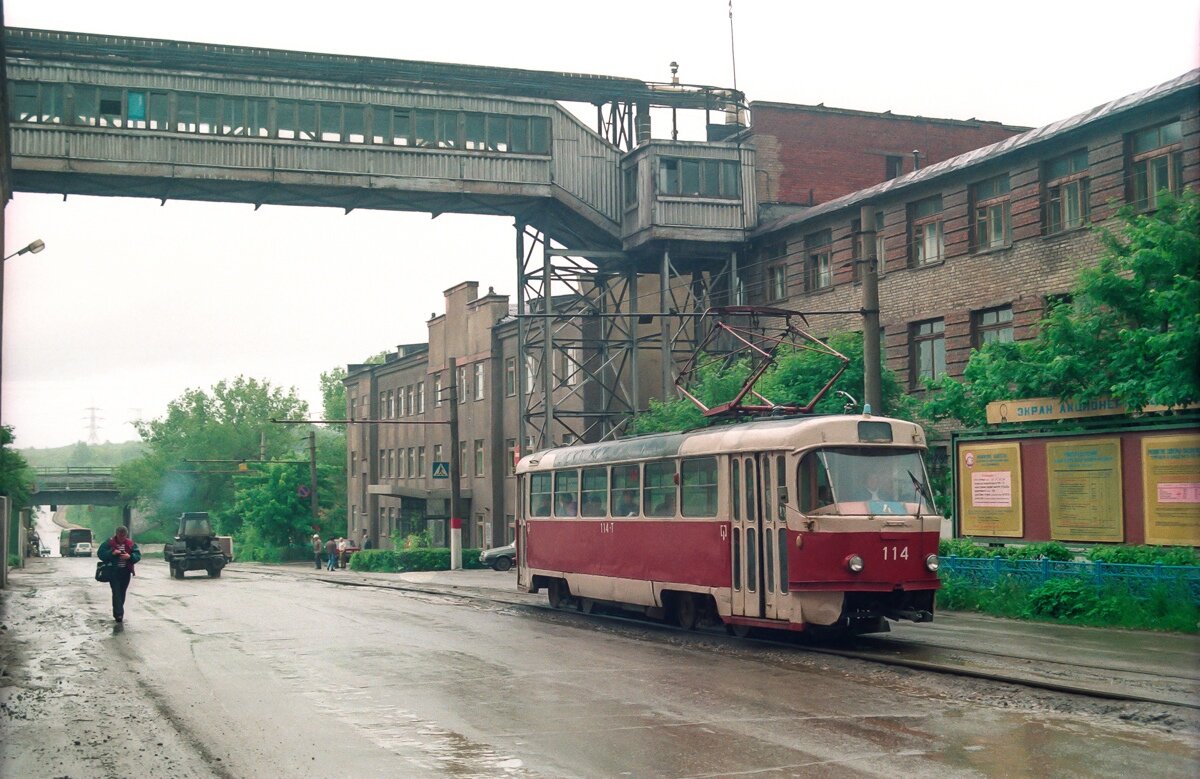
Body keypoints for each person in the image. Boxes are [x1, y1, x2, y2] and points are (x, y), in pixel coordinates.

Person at [97, 526, 141, 623]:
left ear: (126, 535)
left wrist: (129, 556)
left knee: (122, 592)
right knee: (116, 592)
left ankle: (119, 611)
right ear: (116, 534)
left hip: (126, 572)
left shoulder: (130, 544)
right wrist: (112, 553)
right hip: (113, 572)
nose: (122, 538)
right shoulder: (109, 543)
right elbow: (101, 554)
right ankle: (119, 614)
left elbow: (137, 556)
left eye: (123, 536)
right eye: (120, 536)